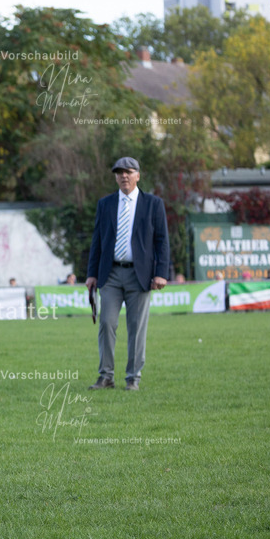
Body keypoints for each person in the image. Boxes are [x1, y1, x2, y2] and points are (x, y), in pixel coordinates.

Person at [86, 156, 169, 392]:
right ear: (115, 176)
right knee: (106, 323)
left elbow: (162, 241)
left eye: (129, 172)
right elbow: (97, 241)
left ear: (138, 176)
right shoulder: (106, 204)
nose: (124, 176)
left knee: (136, 327)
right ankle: (106, 376)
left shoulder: (153, 204)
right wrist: (91, 273)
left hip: (139, 275)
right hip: (110, 273)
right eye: (120, 172)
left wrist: (161, 272)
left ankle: (133, 378)